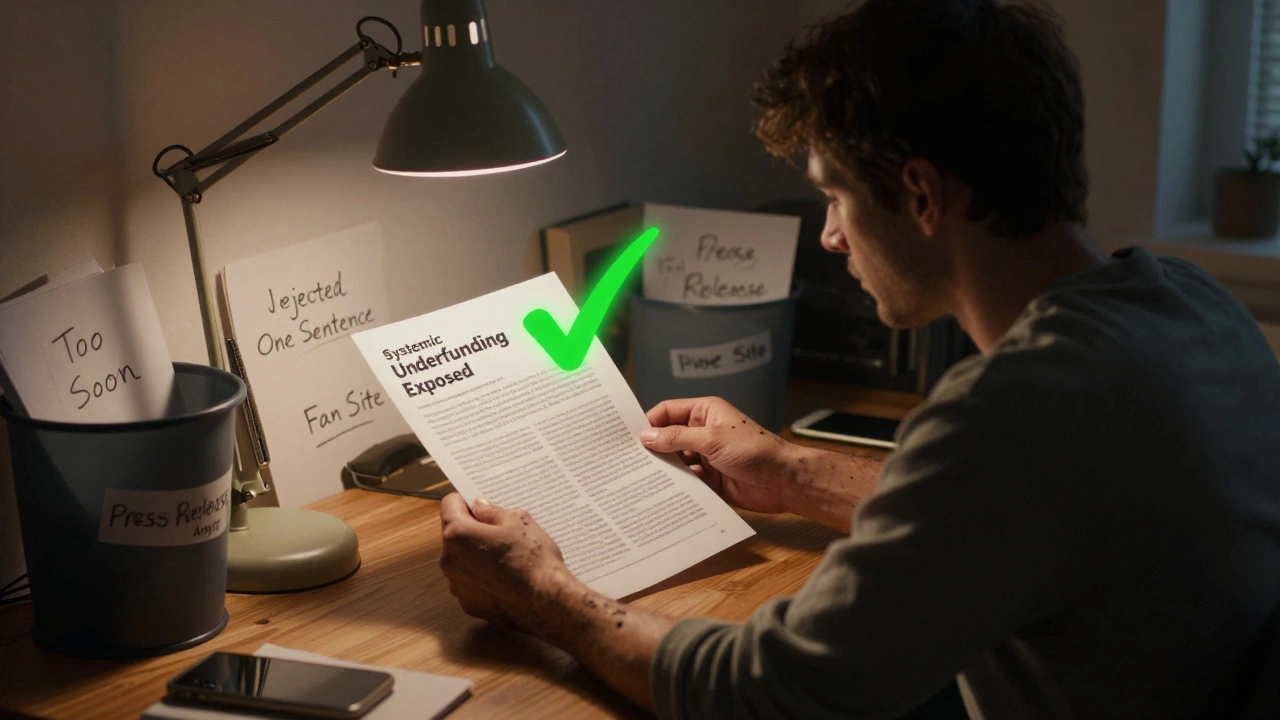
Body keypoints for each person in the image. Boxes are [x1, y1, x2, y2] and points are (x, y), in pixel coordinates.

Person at [438, 0, 1280, 717]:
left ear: (920, 194)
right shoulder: (1193, 308)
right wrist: (791, 472)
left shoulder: (1010, 418)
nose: (832, 236)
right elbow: (1006, 517)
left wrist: (544, 594)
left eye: (834, 195)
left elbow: (770, 693)